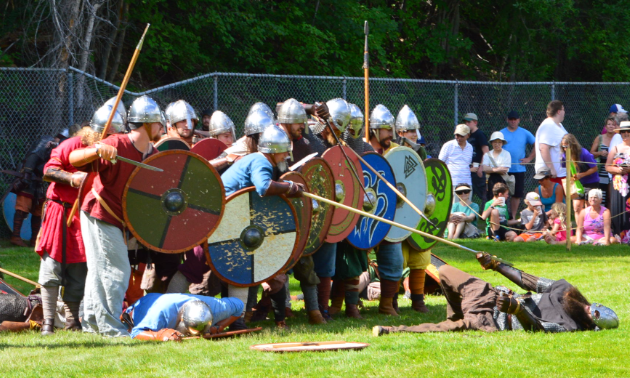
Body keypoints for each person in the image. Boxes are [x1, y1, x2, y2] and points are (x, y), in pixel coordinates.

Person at [69, 95, 164, 337]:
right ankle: (111, 328)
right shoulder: (117, 143)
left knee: (100, 270)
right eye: (158, 123)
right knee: (115, 270)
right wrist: (97, 149)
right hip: (100, 213)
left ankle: (91, 323)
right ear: (146, 123)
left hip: (118, 219)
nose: (162, 128)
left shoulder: (153, 153)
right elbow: (73, 160)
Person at [36, 104, 125, 336]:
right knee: (51, 265)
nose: (109, 139)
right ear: (95, 132)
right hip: (60, 212)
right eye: (105, 135)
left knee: (80, 268)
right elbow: (49, 171)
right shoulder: (72, 146)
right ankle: (47, 322)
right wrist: (73, 178)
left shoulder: (113, 152)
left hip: (86, 214)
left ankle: (72, 320)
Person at [372, 252, 619, 335]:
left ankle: (391, 331)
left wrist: (517, 308)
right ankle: (454, 314)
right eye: (593, 305)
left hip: (492, 320)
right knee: (445, 271)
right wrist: (495, 265)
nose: (589, 307)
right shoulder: (566, 291)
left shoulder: (569, 326)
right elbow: (529, 281)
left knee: (448, 329)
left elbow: (539, 329)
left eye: (593, 313)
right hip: (486, 295)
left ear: (590, 323)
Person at [9, 130, 70, 246]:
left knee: (38, 210)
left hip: (41, 181)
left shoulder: (60, 149)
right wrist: (26, 175)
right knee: (22, 207)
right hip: (29, 178)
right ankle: (15, 237)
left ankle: (34, 240)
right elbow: (33, 156)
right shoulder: (46, 141)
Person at [125, 294, 243, 341]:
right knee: (127, 318)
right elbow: (135, 332)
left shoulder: (217, 308)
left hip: (168, 300)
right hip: (146, 303)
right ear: (181, 319)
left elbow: (239, 305)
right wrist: (159, 335)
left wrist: (219, 326)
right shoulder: (158, 318)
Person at [500, 110, 536, 217]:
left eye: (515, 119)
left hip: (519, 169)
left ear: (518, 120)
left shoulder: (525, 133)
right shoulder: (501, 133)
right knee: (502, 194)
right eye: (510, 119)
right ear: (507, 120)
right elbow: (496, 147)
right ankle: (502, 216)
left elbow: (536, 144)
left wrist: (529, 158)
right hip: (504, 170)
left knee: (516, 194)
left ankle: (513, 216)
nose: (512, 121)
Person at [561, 133, 598, 215]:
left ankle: (588, 226)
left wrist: (581, 175)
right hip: (577, 184)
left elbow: (595, 168)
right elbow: (565, 168)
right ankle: (579, 227)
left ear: (572, 145)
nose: (564, 149)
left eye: (566, 146)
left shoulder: (584, 153)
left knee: (589, 206)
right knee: (577, 207)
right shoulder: (564, 155)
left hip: (590, 182)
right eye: (563, 146)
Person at [605, 121, 630, 239]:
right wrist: (618, 170)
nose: (626, 134)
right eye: (623, 132)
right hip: (618, 185)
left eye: (628, 131)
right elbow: (607, 166)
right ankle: (618, 235)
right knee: (618, 208)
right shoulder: (615, 148)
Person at [535, 100, 568, 184]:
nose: (564, 112)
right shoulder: (548, 125)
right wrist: (551, 168)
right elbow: (543, 148)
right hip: (551, 175)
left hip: (561, 174)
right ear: (559, 111)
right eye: (563, 110)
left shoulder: (559, 125)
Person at [438, 124, 473, 196]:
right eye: (457, 135)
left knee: (466, 206)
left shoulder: (470, 147)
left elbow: (467, 164)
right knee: (454, 206)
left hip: (467, 182)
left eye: (462, 136)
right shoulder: (448, 145)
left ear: (468, 135)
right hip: (452, 183)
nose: (459, 138)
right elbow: (440, 163)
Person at [463, 113, 489, 203]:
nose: (466, 124)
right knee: (466, 193)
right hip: (468, 170)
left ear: (475, 122)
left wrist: (481, 168)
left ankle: (487, 214)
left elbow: (486, 152)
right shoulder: (466, 135)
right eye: (465, 122)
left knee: (483, 195)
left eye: (469, 122)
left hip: (478, 170)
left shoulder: (480, 134)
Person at [591, 117, 617, 206]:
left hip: (614, 170)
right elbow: (591, 153)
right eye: (609, 124)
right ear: (605, 126)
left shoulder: (618, 138)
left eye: (613, 124)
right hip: (602, 170)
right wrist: (600, 153)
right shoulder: (599, 138)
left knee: (612, 196)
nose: (611, 126)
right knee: (602, 195)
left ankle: (612, 217)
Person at [481, 131, 512, 196]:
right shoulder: (487, 154)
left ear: (502, 143)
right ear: (491, 143)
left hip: (503, 181)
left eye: (499, 142)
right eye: (495, 142)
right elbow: (484, 168)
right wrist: (498, 169)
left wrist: (491, 169)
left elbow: (504, 170)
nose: (497, 144)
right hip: (490, 181)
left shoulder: (506, 154)